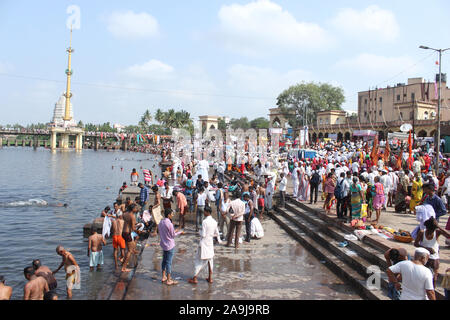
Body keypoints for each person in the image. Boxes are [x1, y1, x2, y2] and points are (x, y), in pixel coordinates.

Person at [188, 206, 221, 284]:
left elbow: (203, 234)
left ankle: (195, 278)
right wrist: (215, 238)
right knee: (210, 260)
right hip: (210, 242)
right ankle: (210, 278)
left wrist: (199, 232)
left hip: (204, 242)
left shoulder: (204, 222)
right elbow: (217, 233)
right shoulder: (214, 221)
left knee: (198, 260)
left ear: (206, 212)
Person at [414, 217, 450, 284]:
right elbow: (415, 244)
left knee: (434, 278)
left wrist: (439, 227)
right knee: (422, 276)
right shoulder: (422, 232)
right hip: (424, 257)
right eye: (430, 230)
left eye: (432, 230)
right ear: (427, 228)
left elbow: (448, 235)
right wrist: (427, 249)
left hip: (434, 257)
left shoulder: (437, 232)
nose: (431, 232)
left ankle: (432, 290)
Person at [159, 208, 182, 286]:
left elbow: (166, 232)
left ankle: (163, 276)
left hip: (163, 243)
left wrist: (175, 231)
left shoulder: (161, 222)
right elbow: (172, 235)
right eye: (172, 214)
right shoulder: (169, 224)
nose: (172, 215)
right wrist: (179, 232)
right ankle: (169, 279)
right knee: (169, 262)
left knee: (164, 260)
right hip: (169, 245)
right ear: (168, 215)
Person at [121, 204, 138, 272]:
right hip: (127, 233)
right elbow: (133, 228)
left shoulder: (125, 214)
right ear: (133, 209)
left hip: (123, 232)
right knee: (130, 250)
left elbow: (127, 223)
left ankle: (123, 262)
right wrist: (139, 229)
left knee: (130, 247)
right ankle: (124, 268)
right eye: (135, 208)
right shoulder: (132, 216)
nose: (136, 209)